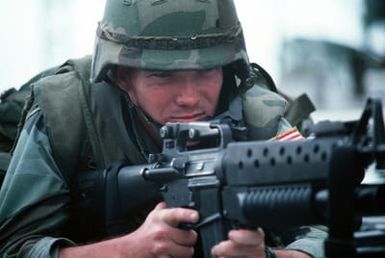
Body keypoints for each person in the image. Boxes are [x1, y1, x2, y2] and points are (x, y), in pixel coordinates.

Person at [0, 0, 326, 257]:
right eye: (162, 76)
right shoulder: (65, 112)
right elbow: (14, 247)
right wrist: (125, 251)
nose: (189, 97)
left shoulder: (259, 116)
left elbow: (326, 228)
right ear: (121, 77)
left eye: (206, 71)